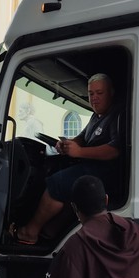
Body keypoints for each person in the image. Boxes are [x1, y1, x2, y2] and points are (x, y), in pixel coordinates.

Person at [13, 73, 123, 244]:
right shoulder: (96, 117)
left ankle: (30, 232)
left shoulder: (117, 115)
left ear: (111, 92)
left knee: (56, 183)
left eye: (99, 93)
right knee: (60, 171)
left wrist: (79, 152)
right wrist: (67, 143)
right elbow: (82, 137)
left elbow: (114, 151)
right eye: (91, 94)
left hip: (105, 173)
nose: (94, 98)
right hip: (91, 168)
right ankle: (51, 231)